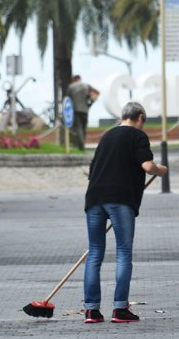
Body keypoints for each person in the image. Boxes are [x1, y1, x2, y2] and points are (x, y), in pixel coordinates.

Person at [82, 102, 168, 323]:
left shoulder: (106, 137)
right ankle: (120, 309)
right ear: (140, 117)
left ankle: (91, 310)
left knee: (94, 253)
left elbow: (92, 172)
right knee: (123, 252)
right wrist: (161, 170)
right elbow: (147, 166)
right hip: (120, 200)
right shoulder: (137, 136)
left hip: (94, 199)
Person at [67, 75, 100, 150]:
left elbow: (67, 99)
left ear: (74, 80)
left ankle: (81, 146)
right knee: (84, 128)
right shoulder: (86, 85)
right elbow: (97, 93)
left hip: (75, 110)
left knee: (78, 128)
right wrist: (91, 102)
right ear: (80, 79)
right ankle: (82, 144)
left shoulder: (71, 87)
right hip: (85, 110)